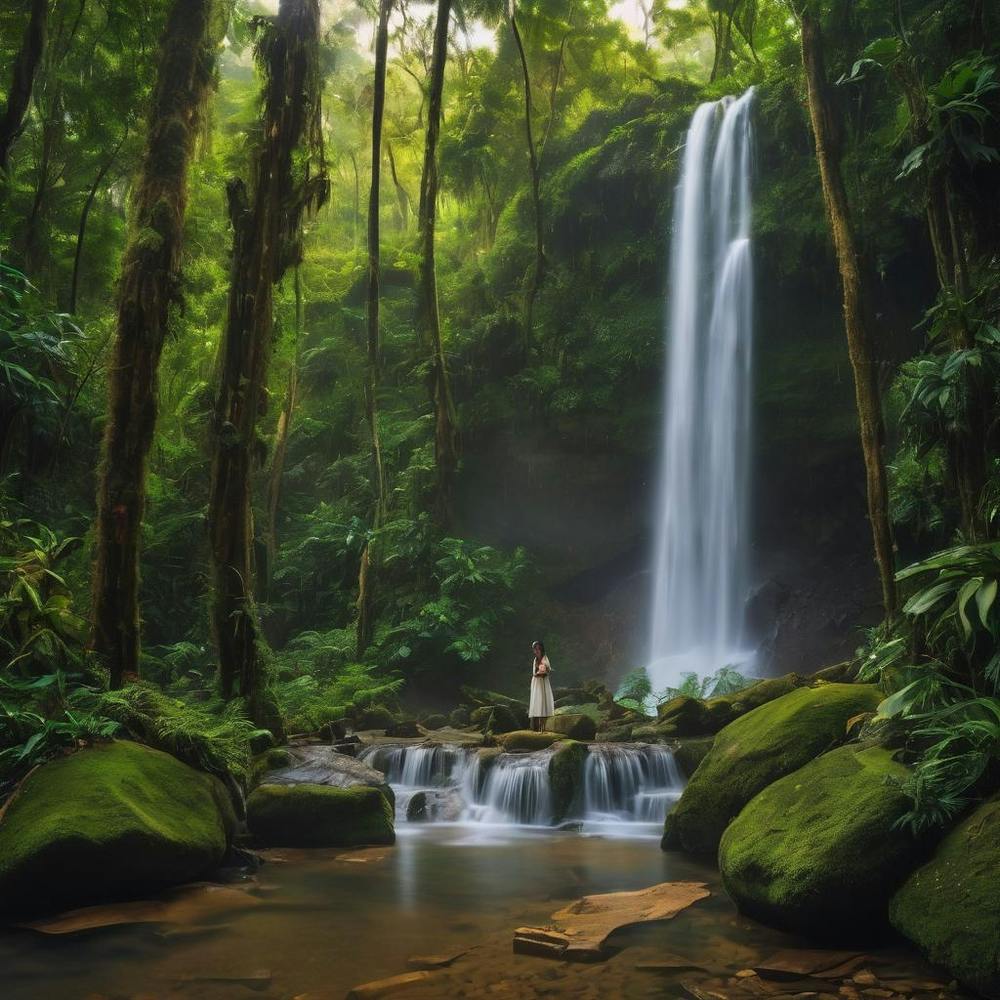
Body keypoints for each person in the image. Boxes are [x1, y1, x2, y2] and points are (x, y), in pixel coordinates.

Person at [528, 640, 554, 732]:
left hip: (543, 682)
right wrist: (538, 673)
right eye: (535, 649)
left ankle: (543, 727)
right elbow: (534, 673)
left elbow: (548, 670)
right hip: (536, 682)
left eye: (538, 649)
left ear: (541, 649)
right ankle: (536, 727)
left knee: (543, 702)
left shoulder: (545, 658)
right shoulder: (535, 660)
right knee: (537, 702)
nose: (537, 651)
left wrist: (544, 672)